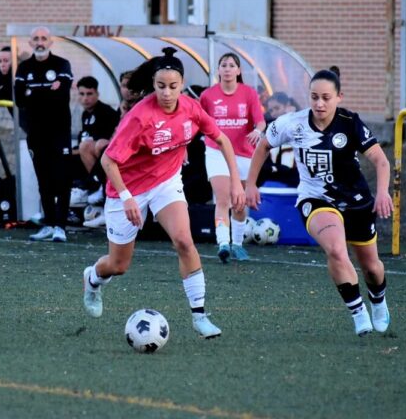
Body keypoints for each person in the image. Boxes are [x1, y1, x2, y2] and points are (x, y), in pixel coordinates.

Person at [81, 48, 244, 339]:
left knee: (184, 240)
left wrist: (236, 182)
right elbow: (108, 160)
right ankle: (92, 279)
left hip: (166, 183)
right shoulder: (139, 117)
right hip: (127, 189)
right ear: (153, 85)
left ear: (182, 84)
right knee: (118, 265)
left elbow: (221, 139)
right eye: (160, 87)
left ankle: (200, 316)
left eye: (173, 86)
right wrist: (127, 195)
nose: (167, 93)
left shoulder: (191, 108)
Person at [245, 69, 393, 337]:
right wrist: (250, 184)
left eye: (326, 97)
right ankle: (359, 313)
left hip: (357, 201)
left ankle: (378, 302)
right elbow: (264, 146)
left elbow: (381, 161)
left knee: (371, 266)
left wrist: (383, 193)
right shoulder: (294, 122)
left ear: (339, 97)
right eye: (314, 97)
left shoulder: (351, 123)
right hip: (316, 199)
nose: (319, 104)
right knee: (336, 250)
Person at [199, 53, 266, 263]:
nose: (227, 69)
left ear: (238, 71)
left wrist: (258, 130)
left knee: (239, 203)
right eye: (223, 65)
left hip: (244, 153)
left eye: (231, 65)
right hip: (216, 151)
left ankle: (237, 244)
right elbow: (197, 122)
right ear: (218, 70)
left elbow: (261, 122)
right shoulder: (208, 96)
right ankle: (223, 244)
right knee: (223, 199)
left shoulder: (249, 94)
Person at [14, 27, 74, 242]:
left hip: (59, 131)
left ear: (50, 42)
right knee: (44, 179)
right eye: (36, 39)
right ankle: (49, 224)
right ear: (30, 43)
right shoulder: (24, 67)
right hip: (36, 132)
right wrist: (48, 90)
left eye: (44, 39)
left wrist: (34, 93)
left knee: (62, 178)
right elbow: (20, 99)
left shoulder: (61, 64)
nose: (40, 42)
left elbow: (62, 94)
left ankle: (61, 227)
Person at [69, 77, 120, 217]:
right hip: (94, 158)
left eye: (89, 94)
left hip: (109, 159)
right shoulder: (86, 114)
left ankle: (97, 187)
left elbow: (105, 142)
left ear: (97, 94)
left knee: (89, 146)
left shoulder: (106, 112)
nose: (85, 98)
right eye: (82, 94)